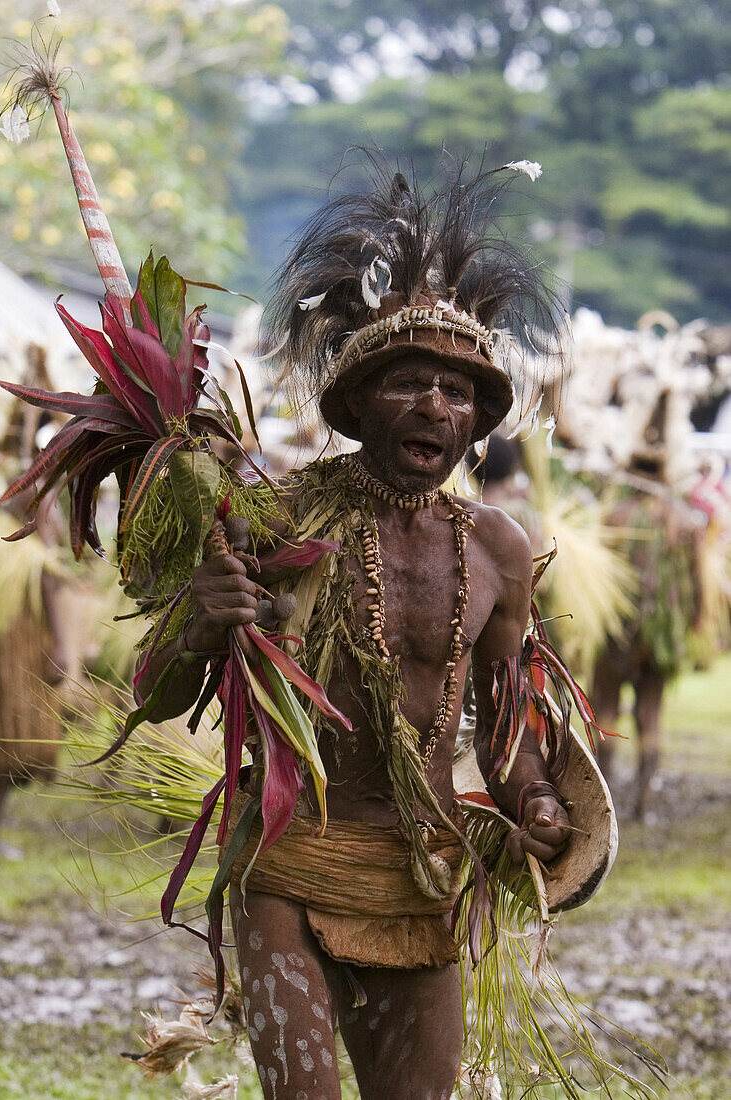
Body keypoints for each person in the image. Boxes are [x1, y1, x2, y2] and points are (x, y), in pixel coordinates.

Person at [138, 164, 572, 1100]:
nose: (434, 408)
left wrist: (536, 801)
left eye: (458, 394)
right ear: (358, 403)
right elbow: (156, 694)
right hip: (289, 855)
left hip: (424, 865)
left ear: (477, 425)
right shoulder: (277, 522)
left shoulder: (497, 548)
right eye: (409, 384)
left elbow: (507, 725)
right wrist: (201, 626)